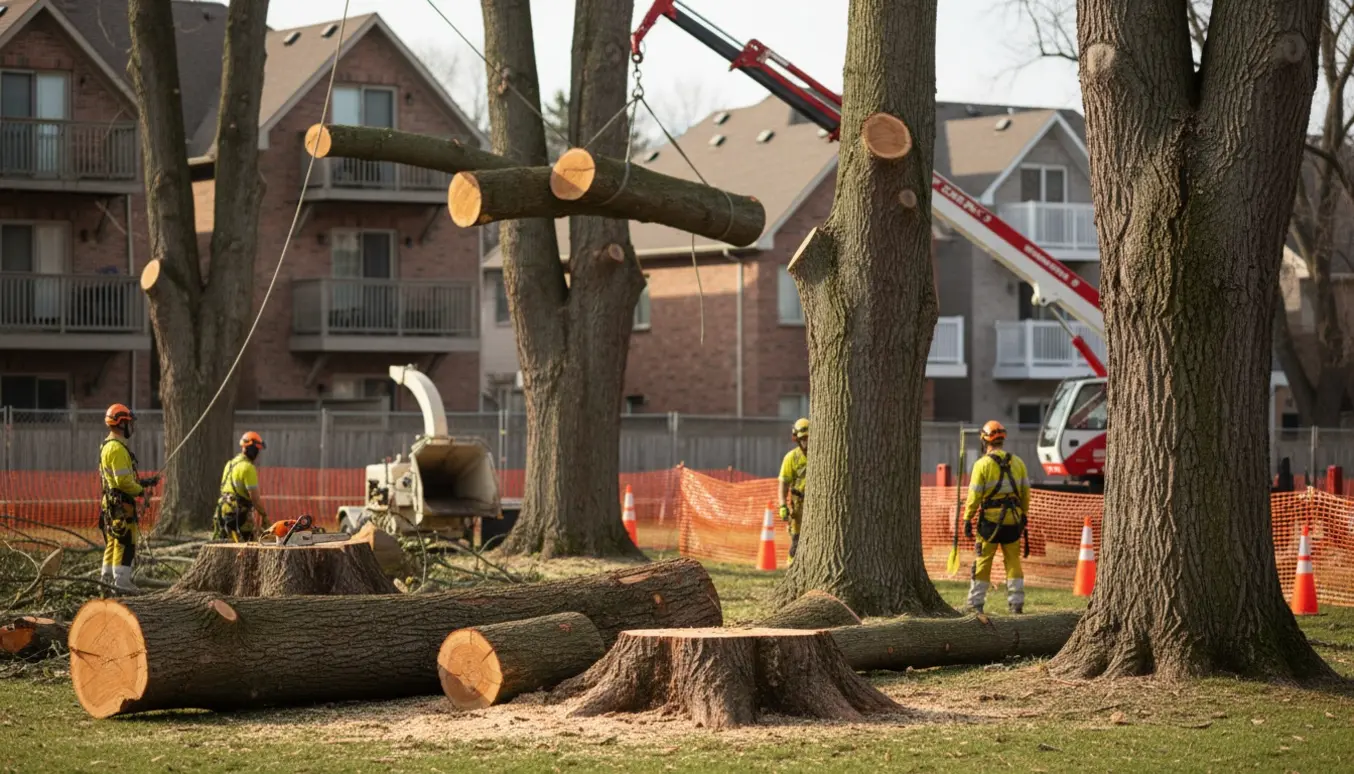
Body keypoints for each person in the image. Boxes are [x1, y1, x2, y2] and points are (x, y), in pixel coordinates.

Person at [962, 420, 1031, 614]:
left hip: (990, 525)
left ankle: (975, 604)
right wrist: (1023, 514)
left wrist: (967, 518)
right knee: (1013, 561)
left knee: (983, 560)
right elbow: (1026, 493)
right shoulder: (1018, 463)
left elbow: (974, 495)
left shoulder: (982, 464)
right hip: (1013, 522)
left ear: (984, 440)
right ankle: (1016, 603)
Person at [98, 404, 158, 592]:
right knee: (126, 542)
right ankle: (122, 582)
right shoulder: (117, 449)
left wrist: (145, 483)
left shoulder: (108, 446)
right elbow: (123, 482)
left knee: (113, 541)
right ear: (121, 424)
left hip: (111, 503)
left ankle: (105, 580)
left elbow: (120, 479)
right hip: (121, 504)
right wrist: (141, 492)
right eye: (130, 423)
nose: (132, 427)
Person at [214, 431, 269, 542]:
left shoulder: (230, 464)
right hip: (239, 516)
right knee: (249, 549)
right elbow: (255, 499)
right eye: (257, 449)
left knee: (225, 545)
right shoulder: (248, 468)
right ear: (252, 449)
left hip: (222, 512)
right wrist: (264, 516)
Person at [778, 417, 809, 564]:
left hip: (818, 504)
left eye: (808, 438)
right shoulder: (791, 458)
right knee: (797, 542)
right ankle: (792, 569)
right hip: (798, 506)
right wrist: (783, 505)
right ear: (796, 439)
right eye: (803, 439)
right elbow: (783, 484)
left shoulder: (821, 456)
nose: (806, 442)